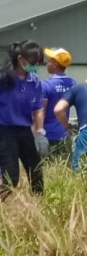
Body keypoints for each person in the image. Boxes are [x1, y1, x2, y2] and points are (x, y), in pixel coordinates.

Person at [0, 40, 46, 198]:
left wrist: (40, 132)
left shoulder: (34, 81)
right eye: (33, 62)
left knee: (36, 170)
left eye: (38, 62)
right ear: (20, 59)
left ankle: (39, 203)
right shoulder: (3, 78)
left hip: (24, 130)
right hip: (4, 130)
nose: (35, 65)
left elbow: (38, 109)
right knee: (11, 175)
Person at [40, 47, 76, 159]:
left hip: (48, 135)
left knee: (47, 166)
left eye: (50, 61)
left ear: (55, 64)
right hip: (65, 134)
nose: (47, 63)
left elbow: (41, 111)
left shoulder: (45, 85)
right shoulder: (73, 83)